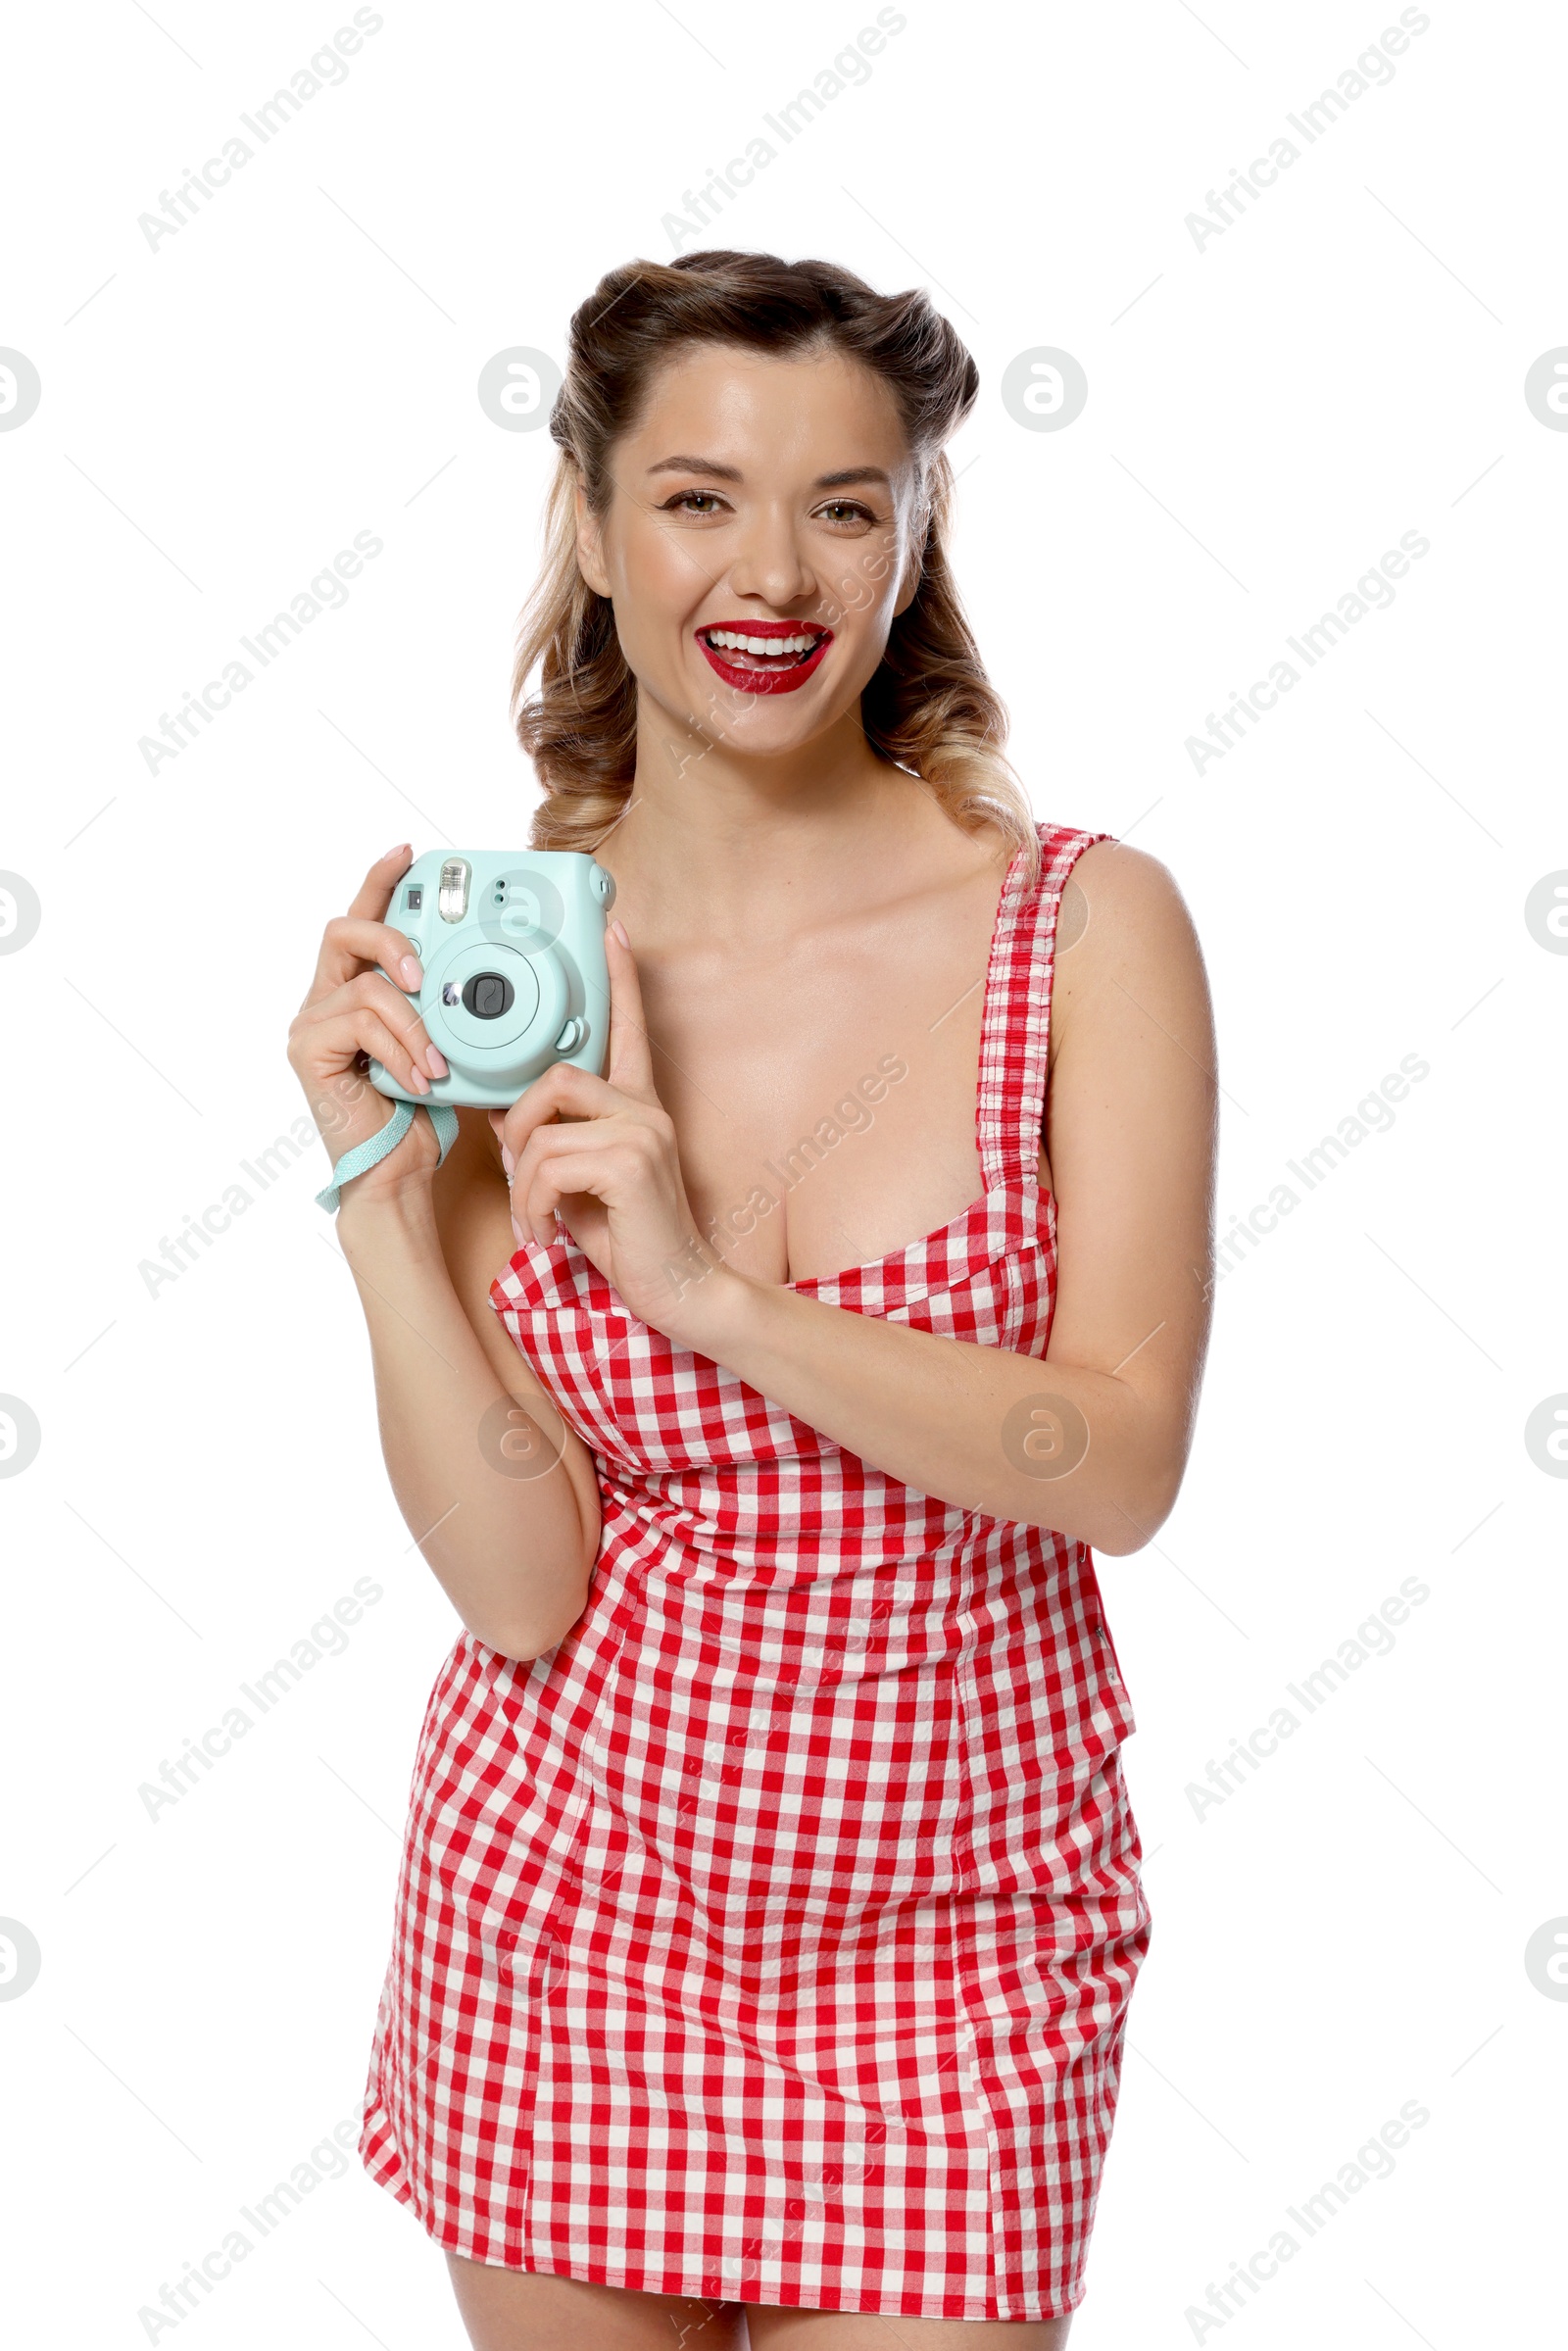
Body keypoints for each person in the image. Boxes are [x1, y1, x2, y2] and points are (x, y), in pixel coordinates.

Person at [289, 250, 1216, 2350]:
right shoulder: (507, 979)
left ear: (912, 539)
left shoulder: (1077, 931)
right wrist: (370, 1184)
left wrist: (705, 1294)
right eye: (698, 497)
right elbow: (524, 1592)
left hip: (958, 1940)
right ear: (594, 531)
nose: (771, 567)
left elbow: (1121, 1460)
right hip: (567, 1916)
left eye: (844, 502)